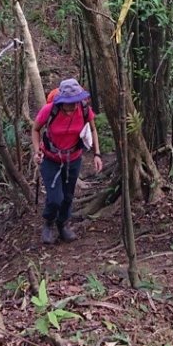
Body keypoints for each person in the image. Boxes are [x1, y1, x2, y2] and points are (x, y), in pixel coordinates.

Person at [31, 78, 103, 244]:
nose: (71, 108)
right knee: (55, 197)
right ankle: (48, 222)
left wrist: (97, 154)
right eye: (68, 103)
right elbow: (35, 129)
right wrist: (36, 151)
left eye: (74, 103)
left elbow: (92, 129)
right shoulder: (50, 110)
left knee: (68, 196)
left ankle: (63, 224)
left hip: (74, 158)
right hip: (50, 158)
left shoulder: (84, 109)